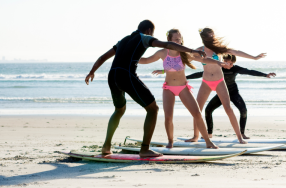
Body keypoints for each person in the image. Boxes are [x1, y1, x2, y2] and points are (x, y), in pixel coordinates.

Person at [84, 20, 206, 157]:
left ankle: (106, 147)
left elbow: (102, 57)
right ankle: (145, 149)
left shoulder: (123, 40)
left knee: (119, 110)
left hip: (112, 76)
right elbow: (167, 44)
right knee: (153, 109)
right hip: (127, 75)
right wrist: (192, 50)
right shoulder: (144, 37)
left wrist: (92, 72)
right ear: (149, 30)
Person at [139, 29, 230, 149]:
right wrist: (129, 58)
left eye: (180, 38)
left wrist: (217, 62)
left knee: (197, 113)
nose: (179, 41)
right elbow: (145, 60)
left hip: (183, 87)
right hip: (168, 88)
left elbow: (203, 59)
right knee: (168, 116)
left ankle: (208, 142)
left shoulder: (184, 53)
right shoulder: (162, 53)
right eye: (176, 39)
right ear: (169, 40)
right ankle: (170, 142)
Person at [185, 27, 266, 144]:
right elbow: (184, 57)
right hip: (206, 82)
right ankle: (195, 136)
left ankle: (239, 137)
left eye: (213, 35)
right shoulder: (199, 50)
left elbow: (236, 52)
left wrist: (254, 57)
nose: (212, 37)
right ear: (204, 38)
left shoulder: (219, 50)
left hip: (219, 81)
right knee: (197, 110)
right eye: (210, 36)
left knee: (228, 108)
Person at [184, 54, 275, 139]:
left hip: (233, 93)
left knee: (243, 110)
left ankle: (242, 133)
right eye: (228, 63)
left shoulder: (235, 69)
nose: (230, 65)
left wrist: (265, 75)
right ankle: (209, 133)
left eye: (232, 63)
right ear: (223, 60)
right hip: (222, 94)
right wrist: (185, 77)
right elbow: (201, 74)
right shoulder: (217, 68)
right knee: (208, 110)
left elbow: (249, 72)